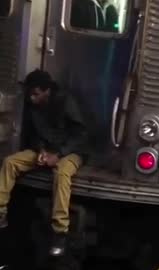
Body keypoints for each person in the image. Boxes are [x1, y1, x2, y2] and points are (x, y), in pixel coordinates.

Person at [0, 70, 88, 257]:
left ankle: (60, 232)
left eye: (36, 94)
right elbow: (34, 134)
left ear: (47, 91)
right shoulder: (34, 106)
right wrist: (40, 150)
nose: (31, 98)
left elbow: (81, 135)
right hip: (47, 150)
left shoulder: (65, 101)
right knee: (10, 162)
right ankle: (0, 213)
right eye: (30, 94)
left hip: (71, 152)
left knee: (62, 173)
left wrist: (60, 154)